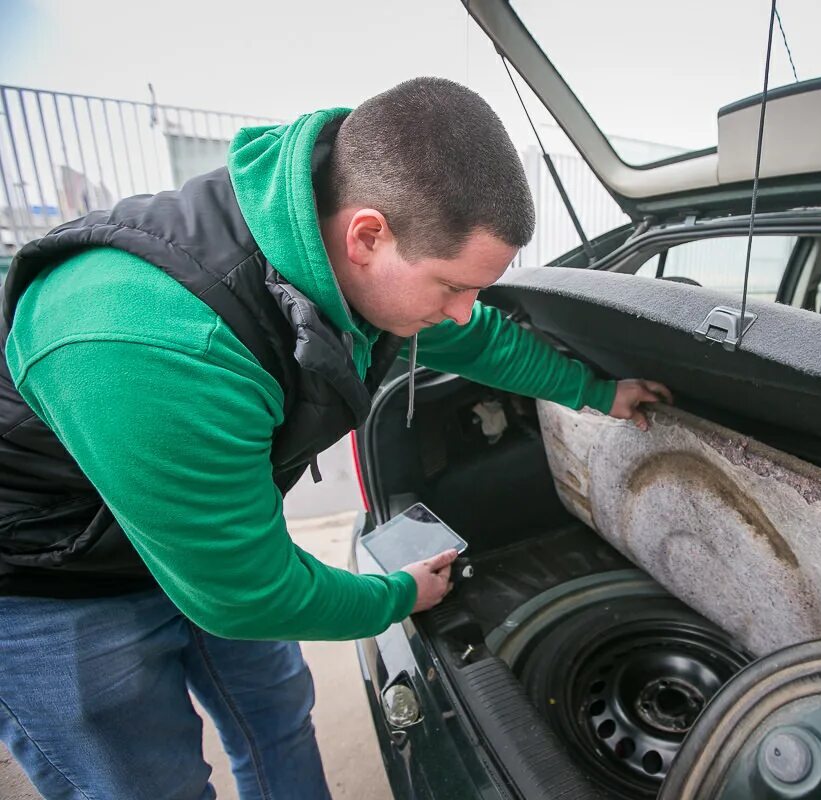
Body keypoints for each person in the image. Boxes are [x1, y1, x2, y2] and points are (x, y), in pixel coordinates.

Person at [0, 77, 670, 799]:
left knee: (278, 721)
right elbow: (244, 596)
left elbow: (477, 340)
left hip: (198, 536)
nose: (462, 311)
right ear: (367, 236)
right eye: (453, 287)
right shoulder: (159, 341)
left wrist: (597, 392)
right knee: (150, 788)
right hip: (52, 579)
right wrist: (395, 596)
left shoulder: (346, 261)